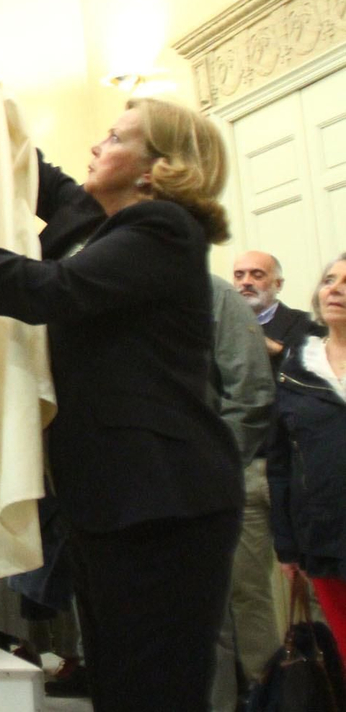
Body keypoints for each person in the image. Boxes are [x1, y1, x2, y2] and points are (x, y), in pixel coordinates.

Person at [0, 97, 243, 712]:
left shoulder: (164, 231)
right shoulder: (97, 219)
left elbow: (53, 290)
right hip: (114, 497)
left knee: (157, 684)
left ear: (154, 168)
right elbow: (37, 175)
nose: (97, 145)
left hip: (165, 501)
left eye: (115, 138)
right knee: (118, 678)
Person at [206, 274, 279, 708]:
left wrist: (211, 466)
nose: (247, 281)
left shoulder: (214, 296)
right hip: (127, 492)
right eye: (242, 273)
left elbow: (251, 394)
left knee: (240, 598)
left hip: (236, 475)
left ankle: (265, 694)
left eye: (258, 274)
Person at [268, 253, 346, 649]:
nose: (336, 289)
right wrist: (286, 545)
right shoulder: (296, 364)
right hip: (325, 535)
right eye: (330, 280)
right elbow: (280, 462)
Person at [235, 250, 324, 364]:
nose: (246, 282)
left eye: (257, 275)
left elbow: (322, 370)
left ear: (278, 284)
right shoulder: (221, 326)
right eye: (239, 276)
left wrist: (279, 351)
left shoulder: (309, 324)